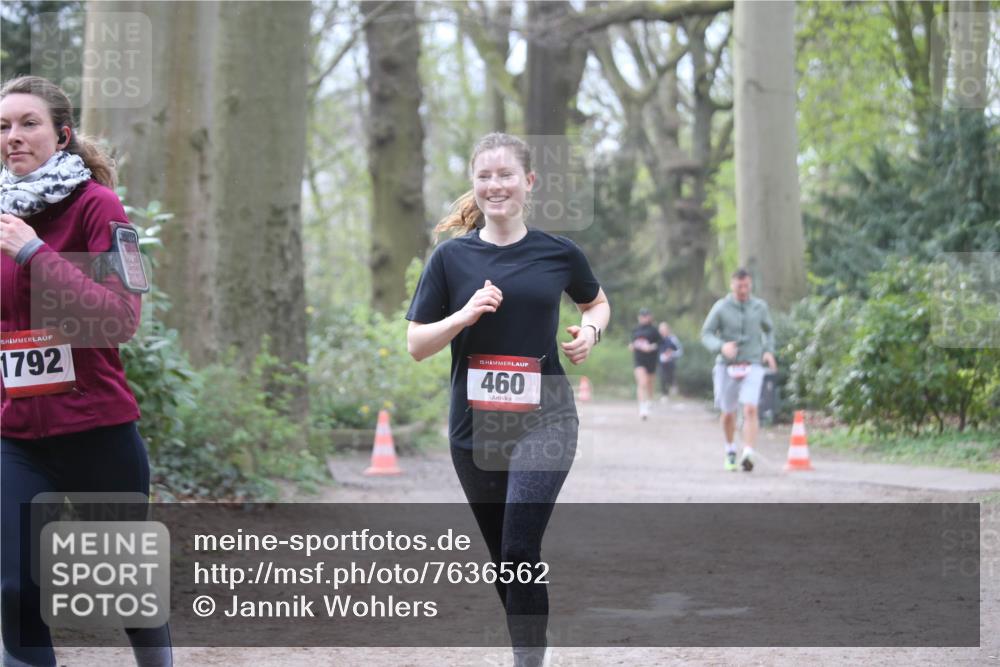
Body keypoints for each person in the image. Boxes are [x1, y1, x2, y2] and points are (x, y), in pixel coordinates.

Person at [406, 132, 610, 667]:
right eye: (485, 176)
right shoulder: (450, 259)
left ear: (528, 182)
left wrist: (590, 333)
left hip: (547, 418)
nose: (495, 185)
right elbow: (417, 345)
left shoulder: (558, 253)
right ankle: (532, 641)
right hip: (475, 428)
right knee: (504, 560)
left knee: (520, 548)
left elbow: (596, 303)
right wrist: (463, 314)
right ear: (474, 184)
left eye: (506, 175)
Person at [1, 76, 171, 667]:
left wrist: (34, 253)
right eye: (3, 126)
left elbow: (120, 318)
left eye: (29, 123)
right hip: (15, 436)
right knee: (14, 588)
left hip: (96, 429)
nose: (13, 136)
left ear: (62, 135)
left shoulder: (98, 207)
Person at [700, 268, 777, 472]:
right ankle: (730, 449)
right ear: (732, 285)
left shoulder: (760, 307)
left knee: (750, 408)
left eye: (747, 286)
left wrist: (768, 351)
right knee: (728, 413)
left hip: (753, 364)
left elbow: (769, 331)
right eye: (739, 286)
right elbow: (706, 333)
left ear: (751, 285)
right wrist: (721, 346)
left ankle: (748, 453)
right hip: (727, 366)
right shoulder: (721, 307)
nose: (743, 290)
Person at [628, 308, 660, 419]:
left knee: (649, 383)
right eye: (642, 316)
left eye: (646, 316)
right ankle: (642, 408)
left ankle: (649, 400)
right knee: (642, 382)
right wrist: (632, 346)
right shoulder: (635, 330)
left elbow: (660, 344)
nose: (643, 318)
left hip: (651, 360)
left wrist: (651, 347)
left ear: (650, 317)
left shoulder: (654, 330)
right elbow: (631, 343)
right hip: (639, 359)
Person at [656, 321, 683, 399]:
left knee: (670, 376)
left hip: (671, 362)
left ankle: (673, 386)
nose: (662, 331)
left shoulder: (673, 339)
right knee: (662, 376)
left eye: (664, 329)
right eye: (661, 330)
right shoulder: (657, 339)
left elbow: (680, 351)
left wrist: (671, 354)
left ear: (668, 330)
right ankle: (664, 394)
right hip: (661, 362)